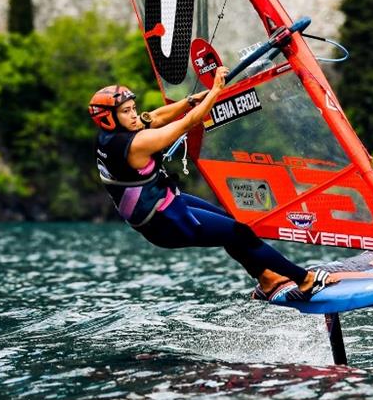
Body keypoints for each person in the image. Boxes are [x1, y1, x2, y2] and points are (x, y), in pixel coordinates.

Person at [88, 66, 337, 298]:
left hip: (166, 203)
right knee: (240, 234)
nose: (133, 115)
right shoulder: (135, 144)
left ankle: (266, 278)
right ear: (109, 119)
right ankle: (305, 280)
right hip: (165, 223)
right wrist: (216, 89)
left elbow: (154, 117)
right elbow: (189, 122)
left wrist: (190, 100)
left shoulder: (111, 136)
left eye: (133, 108)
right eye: (126, 111)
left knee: (231, 224)